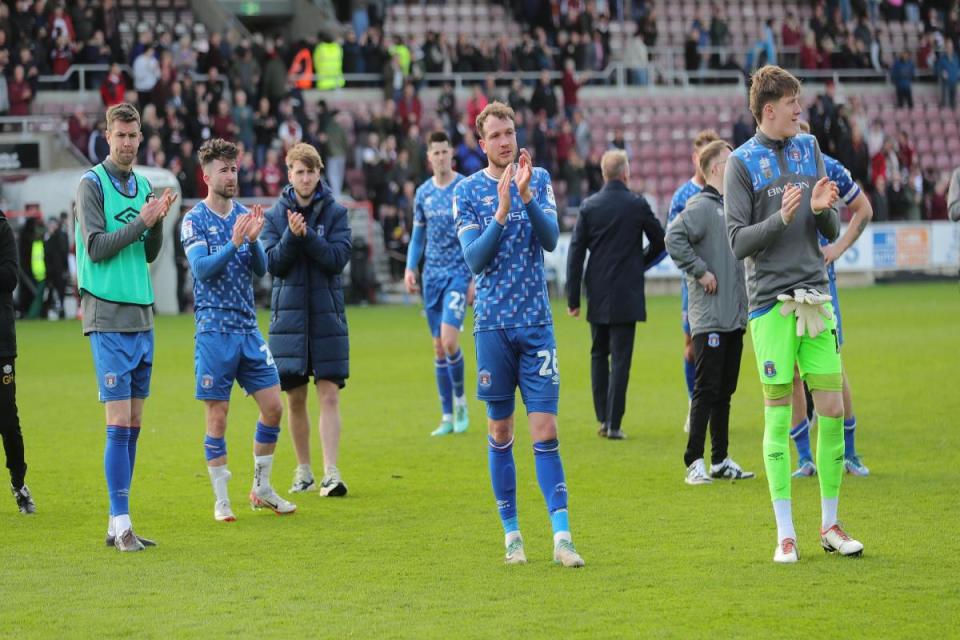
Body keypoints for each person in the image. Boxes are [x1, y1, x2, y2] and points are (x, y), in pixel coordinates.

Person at [724, 65, 862, 563]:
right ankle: (786, 533)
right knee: (779, 417)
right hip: (770, 306)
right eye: (792, 105)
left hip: (815, 297)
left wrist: (825, 209)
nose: (799, 112)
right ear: (768, 110)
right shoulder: (739, 164)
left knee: (831, 409)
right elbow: (737, 242)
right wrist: (780, 217)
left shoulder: (809, 148)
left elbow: (824, 223)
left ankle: (830, 524)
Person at [454, 102, 584, 568]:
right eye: (496, 135)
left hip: (535, 326)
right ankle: (512, 534)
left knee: (545, 430)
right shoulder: (468, 192)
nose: (505, 141)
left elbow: (550, 241)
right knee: (501, 431)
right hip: (492, 327)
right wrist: (503, 211)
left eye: (510, 132)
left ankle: (562, 536)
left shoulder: (540, 178)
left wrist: (526, 197)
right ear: (482, 142)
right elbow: (474, 260)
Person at [75, 102, 174, 551]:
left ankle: (120, 523)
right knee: (117, 422)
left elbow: (149, 253)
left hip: (141, 312)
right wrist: (142, 223)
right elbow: (96, 248)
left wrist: (156, 225)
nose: (128, 143)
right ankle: (121, 519)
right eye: (121, 136)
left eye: (134, 136)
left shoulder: (145, 185)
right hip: (108, 313)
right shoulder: (90, 184)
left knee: (133, 424)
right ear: (107, 136)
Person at [180, 138, 295, 522]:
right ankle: (221, 499)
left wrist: (255, 240)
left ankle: (261, 488)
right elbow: (202, 270)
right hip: (214, 329)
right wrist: (234, 242)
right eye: (224, 170)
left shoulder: (244, 214)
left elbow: (261, 270)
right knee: (218, 416)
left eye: (234, 169)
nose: (231, 176)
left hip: (247, 328)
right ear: (206, 174)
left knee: (274, 407)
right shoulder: (193, 219)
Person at [261, 143, 351, 497]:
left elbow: (336, 259)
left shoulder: (336, 213)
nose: (306, 177)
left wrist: (307, 236)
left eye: (311, 171)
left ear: (319, 173)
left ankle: (331, 471)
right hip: (289, 323)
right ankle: (303, 471)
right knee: (294, 400)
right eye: (299, 171)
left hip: (328, 319)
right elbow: (273, 264)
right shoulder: (273, 216)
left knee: (329, 395)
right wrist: (291, 235)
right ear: (289, 174)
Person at [665, 140, 754, 485]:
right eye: (730, 160)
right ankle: (694, 461)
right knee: (705, 388)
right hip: (709, 318)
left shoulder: (730, 205)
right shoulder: (701, 206)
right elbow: (673, 239)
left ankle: (719, 459)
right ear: (717, 168)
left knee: (725, 390)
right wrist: (700, 271)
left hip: (732, 316)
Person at [790, 121, 874, 479]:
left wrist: (837, 248)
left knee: (833, 369)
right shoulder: (774, 171)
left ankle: (849, 455)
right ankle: (805, 458)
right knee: (792, 372)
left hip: (821, 283)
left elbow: (864, 209)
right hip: (785, 284)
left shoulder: (831, 168)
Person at [565, 149, 664, 440]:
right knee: (621, 359)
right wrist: (639, 264)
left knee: (598, 353)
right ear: (625, 173)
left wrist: (573, 297)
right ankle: (614, 422)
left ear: (604, 174)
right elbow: (661, 241)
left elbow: (575, 253)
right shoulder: (637, 204)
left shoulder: (589, 206)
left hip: (597, 291)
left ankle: (602, 417)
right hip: (627, 292)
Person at [404, 131, 473, 436]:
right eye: (437, 153)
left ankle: (460, 402)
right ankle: (446, 416)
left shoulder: (465, 187)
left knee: (449, 340)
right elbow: (418, 236)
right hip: (431, 276)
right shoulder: (423, 194)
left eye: (446, 152)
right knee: (438, 348)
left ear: (451, 154)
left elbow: (477, 234)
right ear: (429, 157)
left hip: (458, 274)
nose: (442, 157)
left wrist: (474, 277)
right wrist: (410, 267)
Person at [652, 130, 721, 433]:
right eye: (703, 155)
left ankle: (716, 406)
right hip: (693, 285)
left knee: (721, 347)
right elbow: (673, 240)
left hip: (724, 284)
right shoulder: (683, 196)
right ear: (695, 158)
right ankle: (695, 406)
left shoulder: (728, 191)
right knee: (692, 348)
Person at [0, 208, 33, 513]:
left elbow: (10, 277)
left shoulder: (2, 229)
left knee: (7, 417)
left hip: (1, 343)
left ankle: (19, 483)